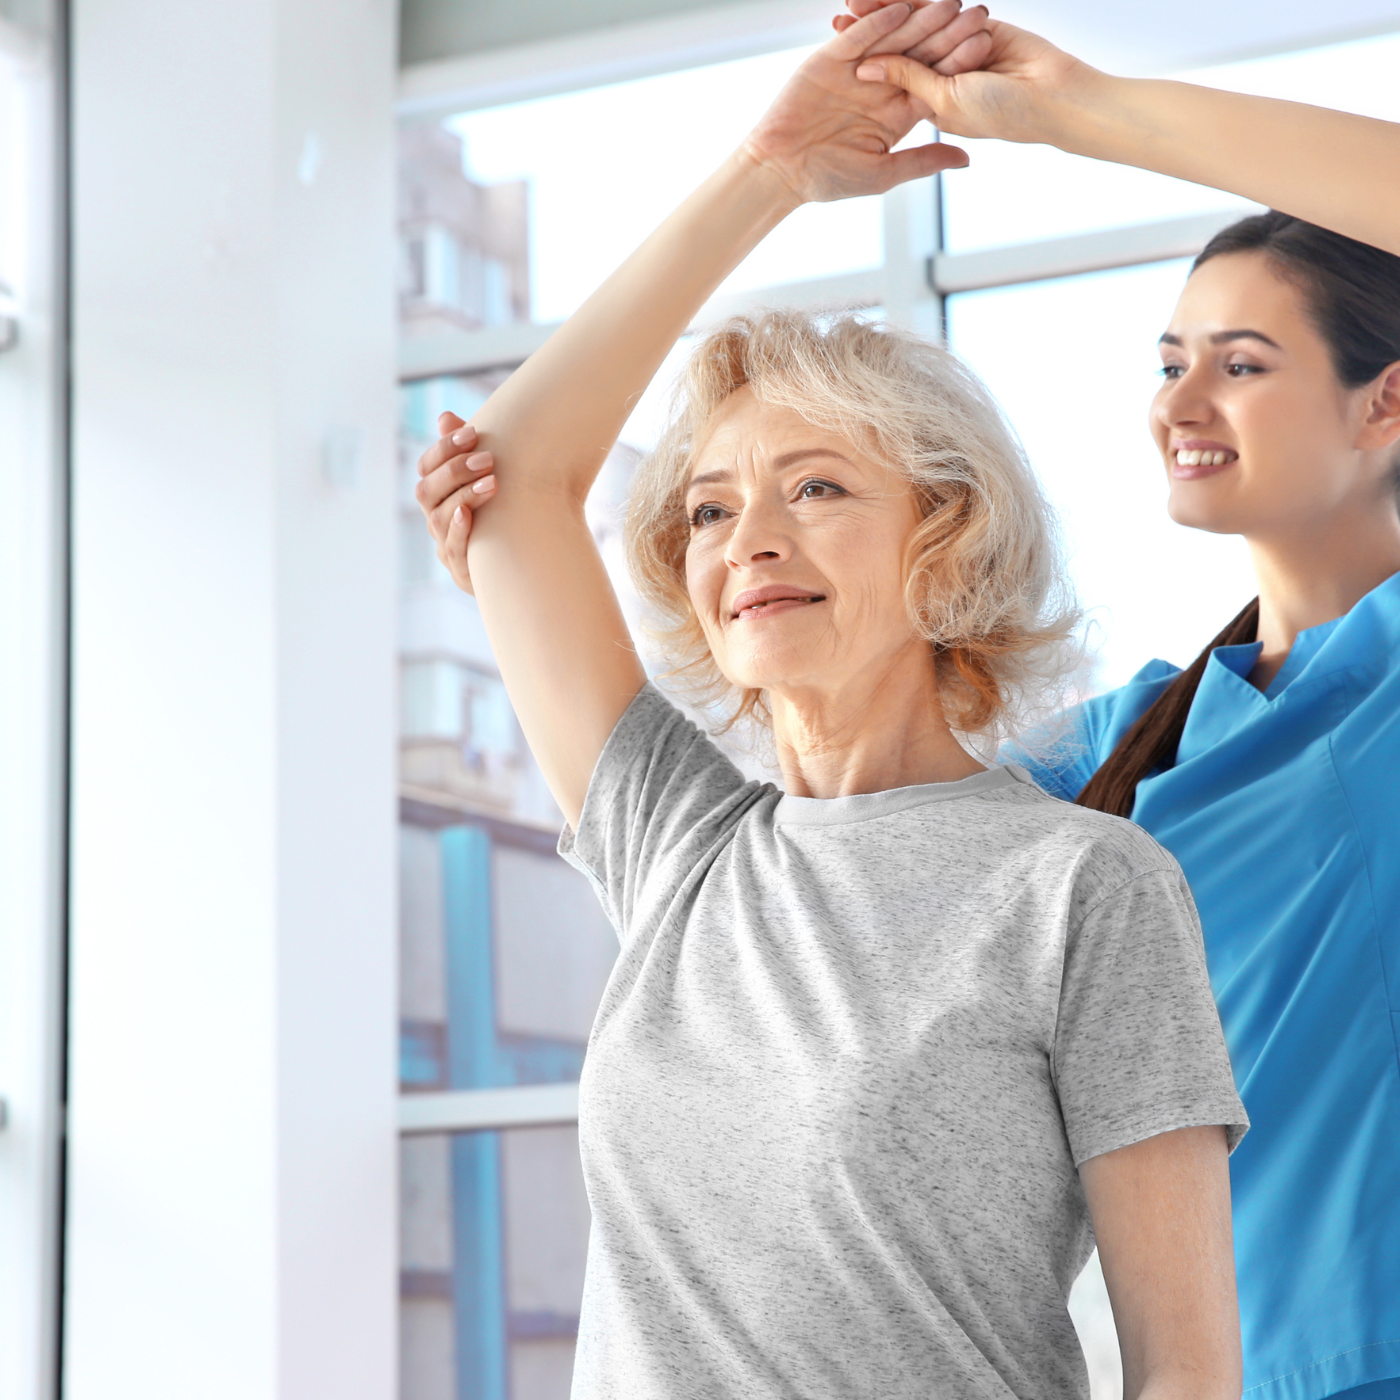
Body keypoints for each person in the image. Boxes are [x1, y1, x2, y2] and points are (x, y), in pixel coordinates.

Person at [413, 6, 1249, 1397]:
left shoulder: (1085, 889)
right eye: (711, 508)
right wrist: (774, 169)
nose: (749, 539)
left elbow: (1185, 1374)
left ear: (948, 538)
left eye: (816, 487)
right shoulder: (678, 842)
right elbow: (506, 474)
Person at [843, 9, 1400, 1400]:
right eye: (1169, 361)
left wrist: (1077, 111)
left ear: (1385, 404)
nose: (1179, 402)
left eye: (1241, 363)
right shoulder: (1111, 752)